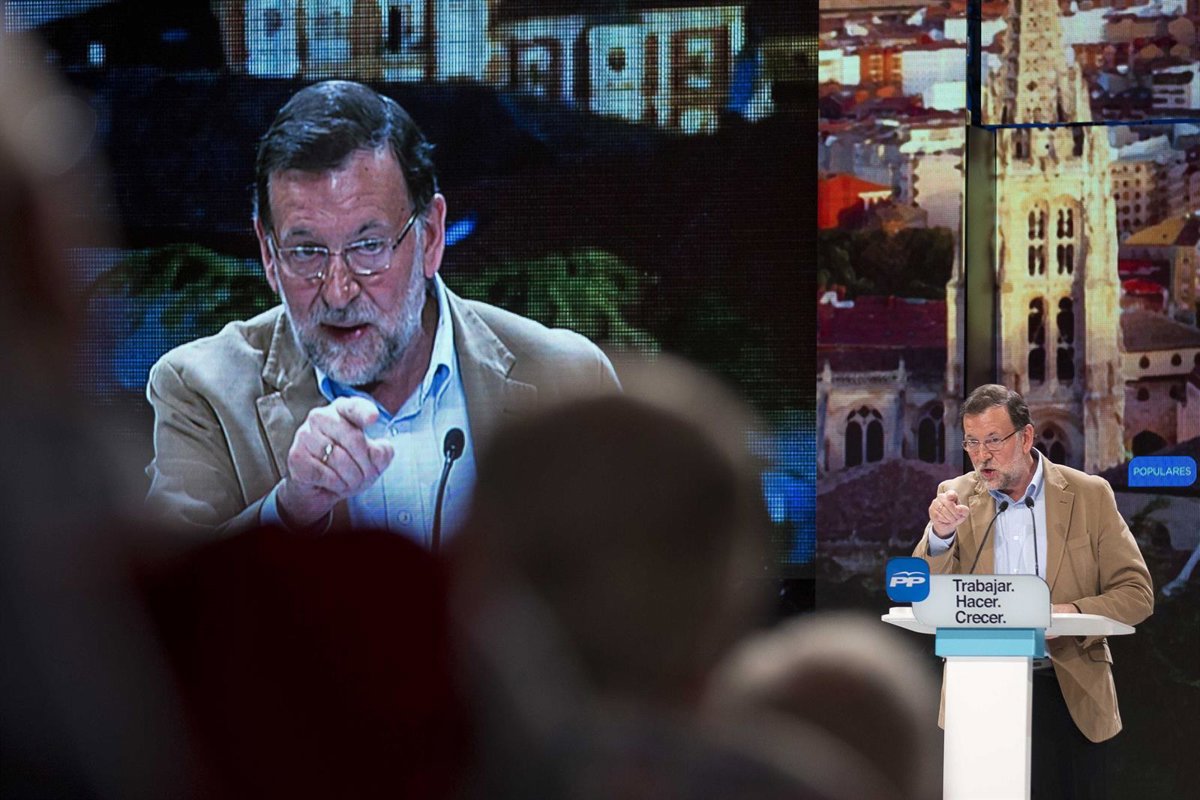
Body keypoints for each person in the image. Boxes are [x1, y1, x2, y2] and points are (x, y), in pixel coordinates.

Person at [144, 80, 618, 539]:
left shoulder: (568, 381)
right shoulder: (201, 391)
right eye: (306, 252)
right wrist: (290, 510)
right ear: (269, 255)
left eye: (368, 246)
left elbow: (634, 571)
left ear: (430, 237)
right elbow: (171, 586)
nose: (338, 292)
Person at [913, 384, 1154, 800]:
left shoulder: (1089, 494)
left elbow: (1137, 593)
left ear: (1026, 437)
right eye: (972, 442)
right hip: (979, 693)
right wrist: (940, 535)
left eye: (993, 440)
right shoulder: (955, 496)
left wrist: (1070, 612)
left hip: (1067, 691)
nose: (982, 455)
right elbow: (924, 592)